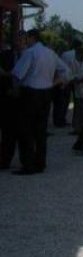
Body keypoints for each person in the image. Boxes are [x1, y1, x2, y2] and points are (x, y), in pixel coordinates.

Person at [11, 29, 70, 175]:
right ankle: (40, 162)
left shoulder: (30, 53)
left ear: (31, 38)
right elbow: (66, 71)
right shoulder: (50, 53)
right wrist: (54, 82)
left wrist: (14, 90)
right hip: (46, 92)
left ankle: (28, 164)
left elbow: (18, 74)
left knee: (27, 130)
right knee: (41, 131)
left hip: (30, 93)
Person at [0, 30, 25, 170]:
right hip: (8, 97)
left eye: (21, 40)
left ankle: (25, 160)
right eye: (16, 39)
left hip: (24, 96)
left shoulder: (29, 55)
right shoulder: (5, 55)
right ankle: (5, 160)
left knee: (24, 131)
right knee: (7, 132)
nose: (18, 42)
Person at [54, 39, 81, 127]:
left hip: (65, 79)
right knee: (77, 101)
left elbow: (61, 66)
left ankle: (60, 119)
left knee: (63, 101)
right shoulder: (80, 55)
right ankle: (75, 120)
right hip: (76, 79)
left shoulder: (66, 54)